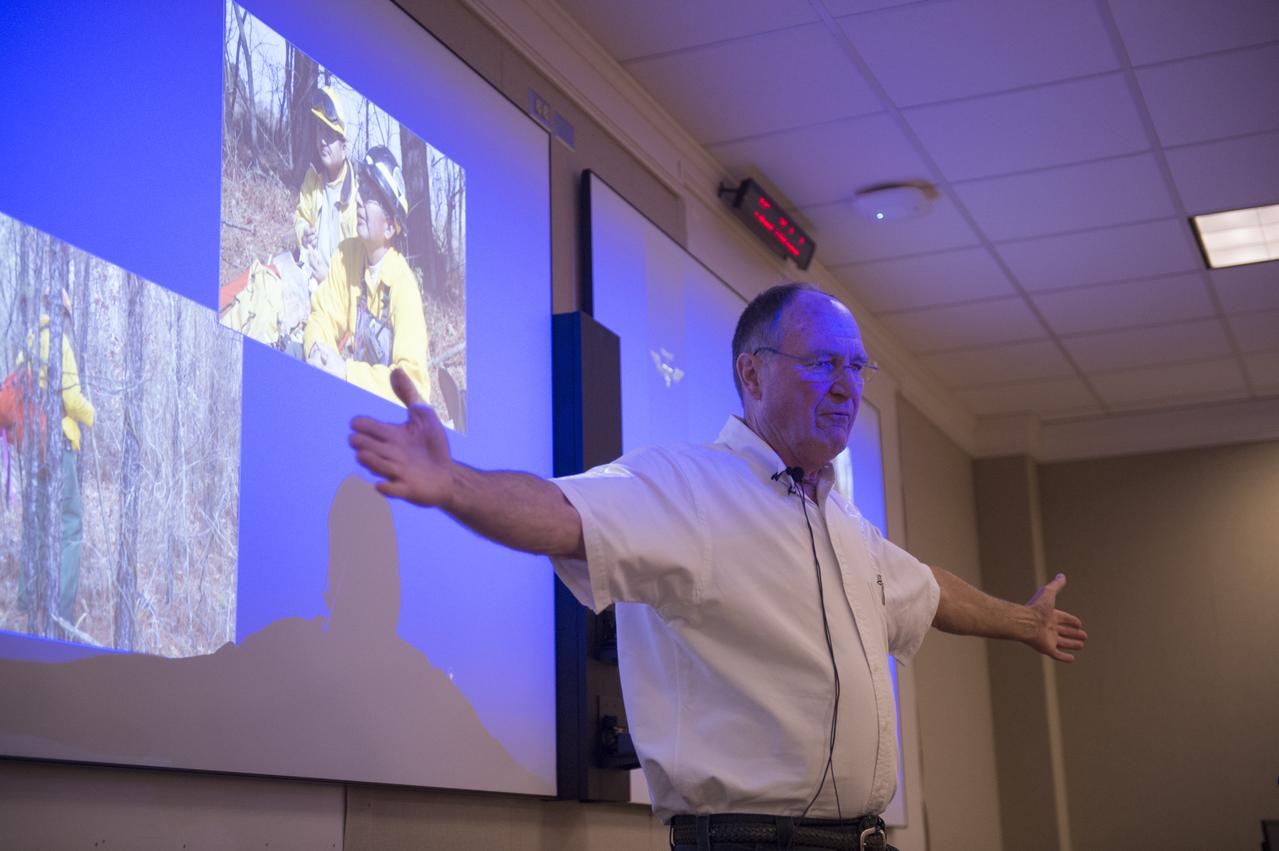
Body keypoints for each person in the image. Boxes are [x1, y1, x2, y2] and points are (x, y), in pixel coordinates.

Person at [348, 283, 1087, 851]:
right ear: (752, 373)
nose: (847, 384)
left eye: (856, 365)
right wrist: (457, 486)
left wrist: (1021, 620)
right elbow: (562, 515)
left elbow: (927, 592)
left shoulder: (842, 523)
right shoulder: (687, 488)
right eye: (824, 361)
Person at [303, 145, 431, 406]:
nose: (359, 199)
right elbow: (323, 315)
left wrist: (347, 373)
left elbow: (414, 385)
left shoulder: (403, 288)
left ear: (390, 227)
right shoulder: (346, 255)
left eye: (371, 195)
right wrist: (317, 349)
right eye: (362, 188)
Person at [18, 289, 95, 624]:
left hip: (33, 446)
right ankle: (61, 615)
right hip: (59, 445)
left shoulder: (30, 341)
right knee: (70, 527)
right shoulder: (60, 342)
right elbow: (73, 399)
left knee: (35, 523)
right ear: (62, 312)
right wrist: (92, 416)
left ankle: (26, 602)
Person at [294, 85, 359, 286]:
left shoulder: (357, 197)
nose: (322, 141)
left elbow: (357, 273)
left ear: (344, 147)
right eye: (319, 131)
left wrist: (327, 281)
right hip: (306, 277)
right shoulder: (313, 177)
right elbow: (301, 216)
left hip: (336, 293)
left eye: (329, 135)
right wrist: (303, 233)